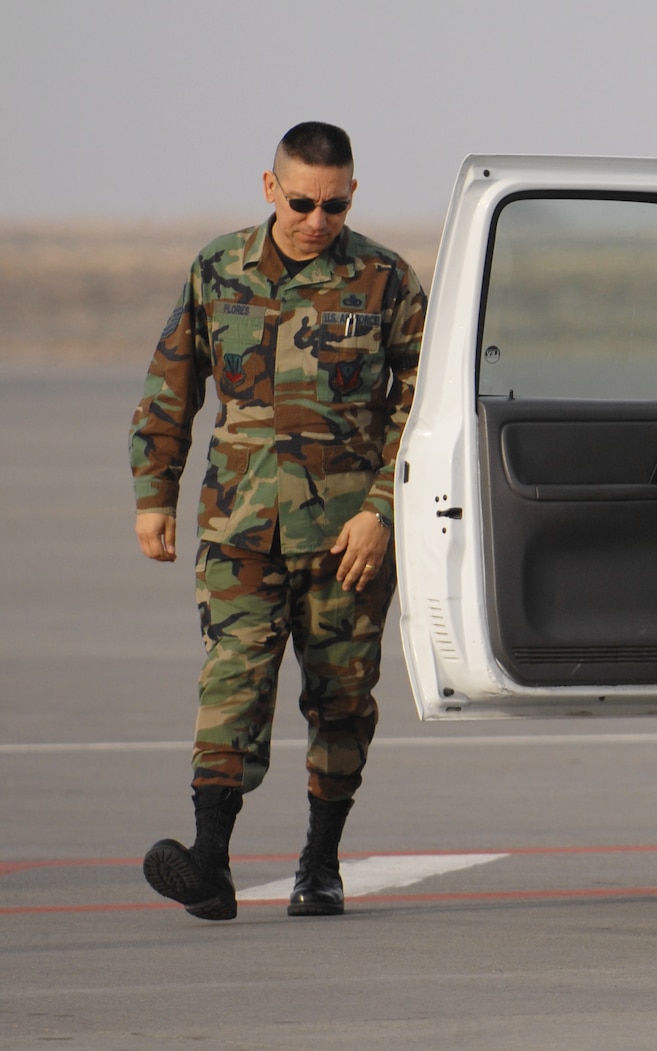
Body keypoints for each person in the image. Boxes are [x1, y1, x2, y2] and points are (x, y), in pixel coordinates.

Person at [130, 121, 425, 920]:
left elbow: (423, 406)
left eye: (333, 204)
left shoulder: (384, 280)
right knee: (233, 685)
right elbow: (171, 386)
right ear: (270, 189)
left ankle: (321, 863)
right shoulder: (218, 269)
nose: (316, 220)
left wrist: (382, 512)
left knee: (340, 702)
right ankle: (210, 861)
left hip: (346, 543)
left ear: (352, 195)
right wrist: (154, 492)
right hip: (241, 530)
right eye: (301, 202)